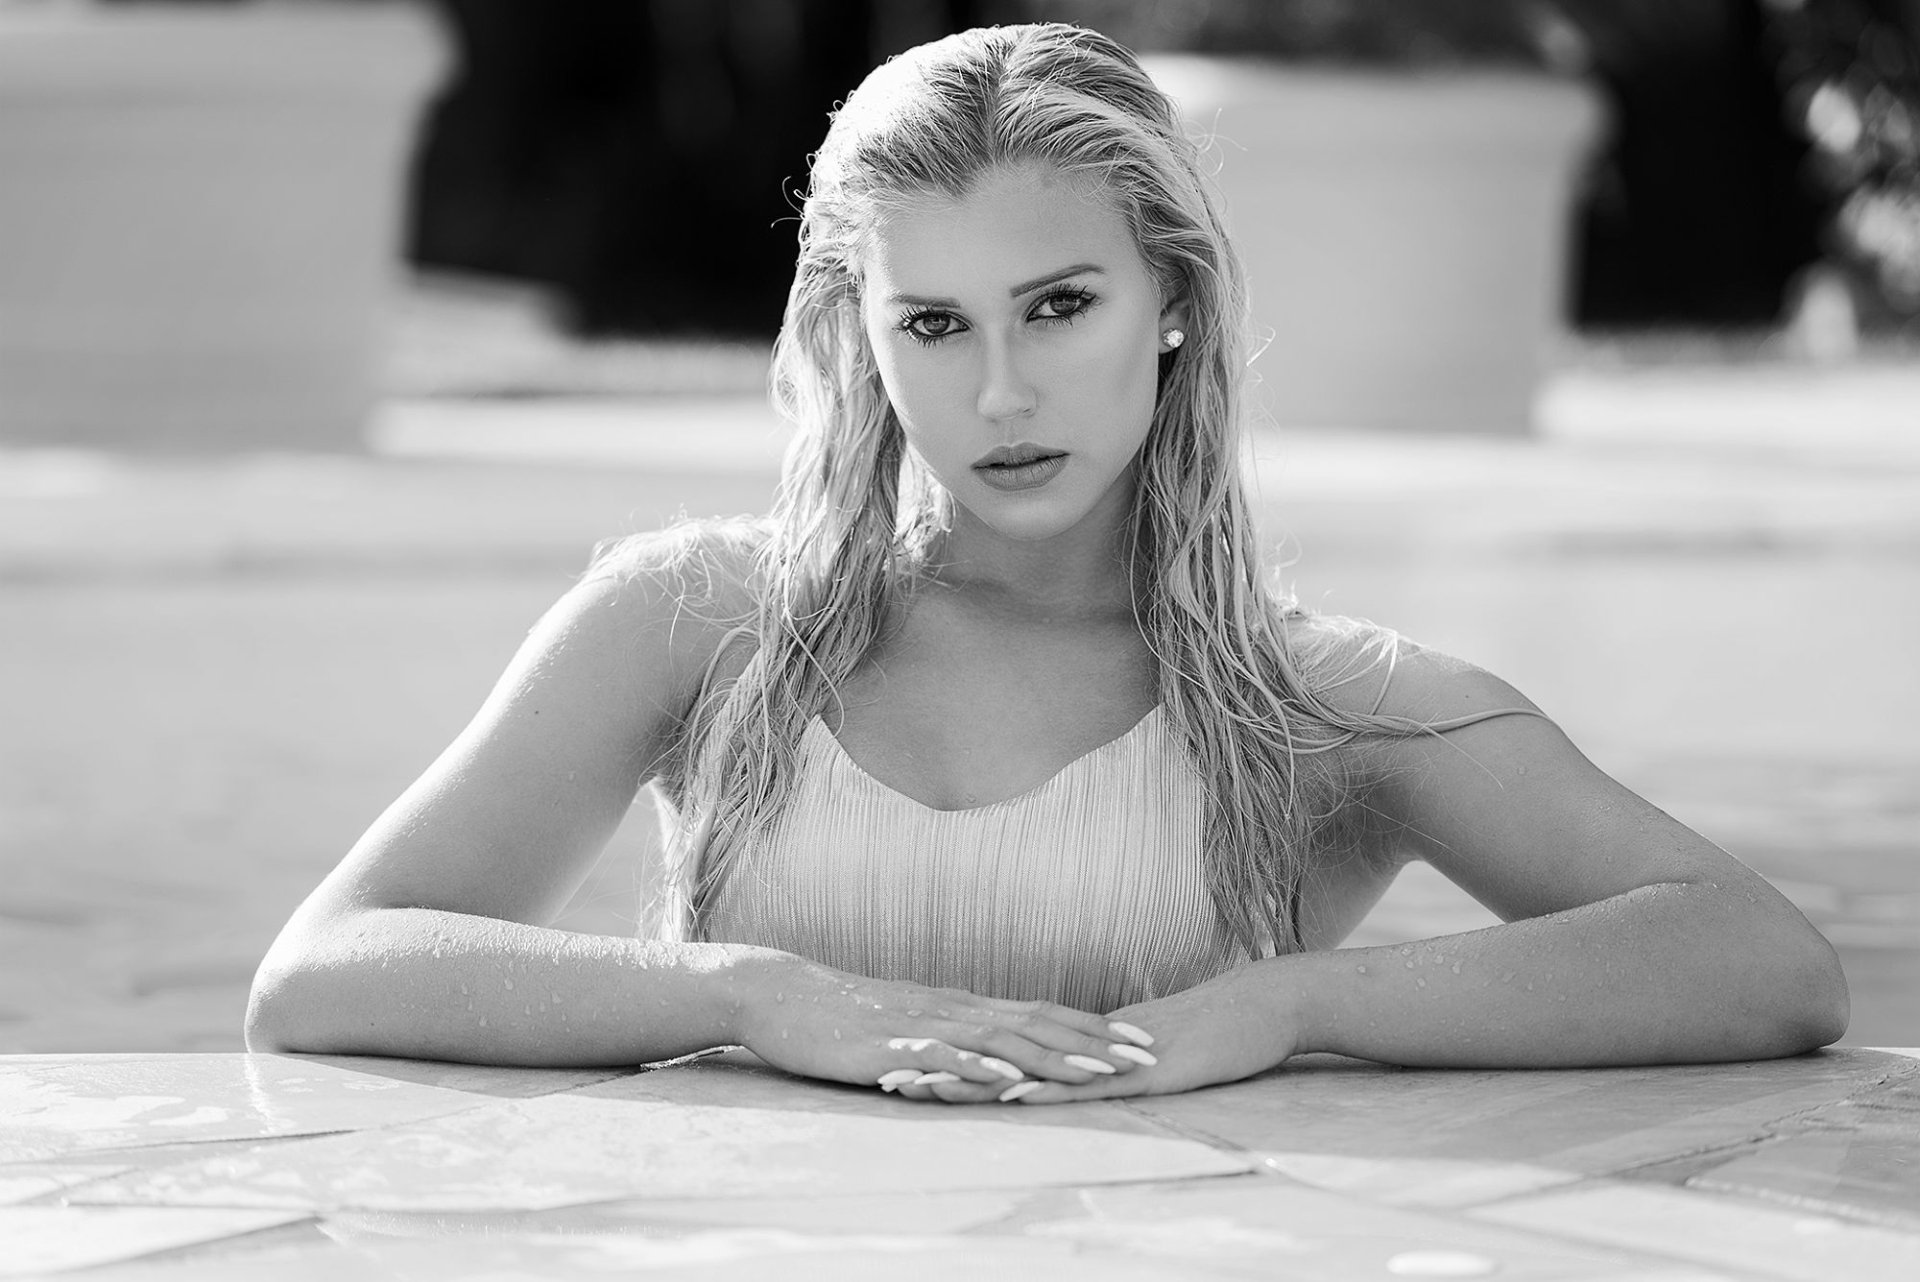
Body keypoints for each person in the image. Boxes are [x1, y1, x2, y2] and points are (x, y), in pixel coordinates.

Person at [246, 23, 1848, 1104]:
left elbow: (1759, 959)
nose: (1000, 394)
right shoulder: (702, 625)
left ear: (1171, 297)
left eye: (1059, 305)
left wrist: (1293, 1006)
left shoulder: (1316, 704)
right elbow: (323, 971)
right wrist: (754, 992)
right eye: (932, 324)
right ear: (857, 340)